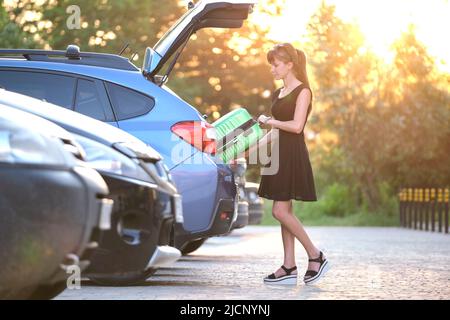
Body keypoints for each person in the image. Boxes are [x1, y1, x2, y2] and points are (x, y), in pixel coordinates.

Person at [252, 43, 330, 285]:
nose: (272, 69)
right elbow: (272, 133)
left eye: (275, 65)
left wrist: (271, 122)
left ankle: (316, 255)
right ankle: (289, 266)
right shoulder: (278, 94)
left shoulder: (303, 91)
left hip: (292, 155)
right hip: (277, 155)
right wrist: (247, 152)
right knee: (283, 212)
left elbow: (296, 127)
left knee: (279, 211)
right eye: (272, 65)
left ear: (289, 65)